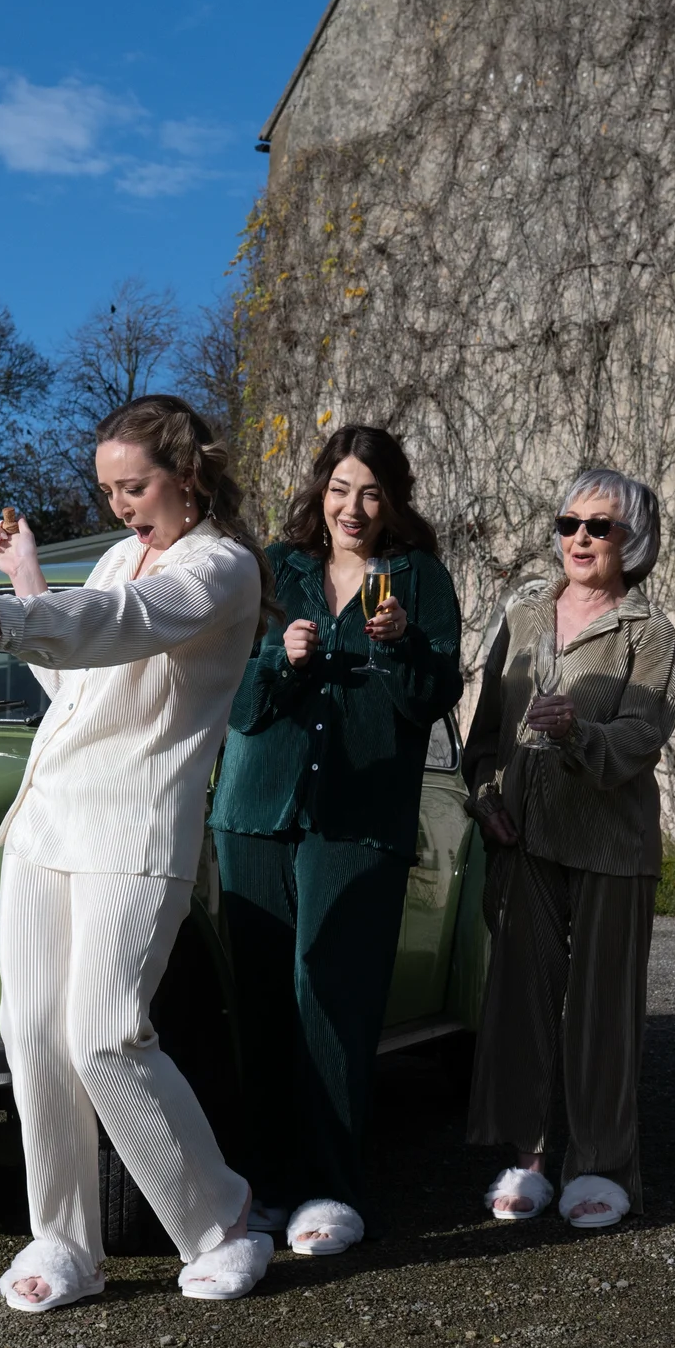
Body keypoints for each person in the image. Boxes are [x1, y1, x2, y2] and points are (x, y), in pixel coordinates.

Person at [0, 395, 274, 1309]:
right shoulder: (124, 556)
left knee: (103, 1034)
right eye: (108, 489)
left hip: (137, 827)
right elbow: (74, 671)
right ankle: (64, 1241)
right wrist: (26, 575)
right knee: (34, 1035)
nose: (120, 506)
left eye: (134, 486)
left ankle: (221, 1218)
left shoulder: (224, 570)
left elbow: (128, 620)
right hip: (46, 819)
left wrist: (10, 612)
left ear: (189, 473)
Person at [209, 426, 463, 1257]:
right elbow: (237, 703)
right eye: (340, 489)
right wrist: (278, 660)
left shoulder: (419, 577)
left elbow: (431, 700)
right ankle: (264, 1185)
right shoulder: (275, 571)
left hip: (358, 820)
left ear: (394, 501)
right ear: (320, 493)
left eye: (372, 493)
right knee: (258, 1002)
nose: (353, 508)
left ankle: (331, 1186)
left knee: (333, 997)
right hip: (255, 812)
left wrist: (397, 649)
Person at [462, 470, 675, 1231]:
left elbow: (642, 736)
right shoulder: (524, 614)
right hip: (522, 837)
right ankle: (529, 1157)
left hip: (610, 842)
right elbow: (486, 728)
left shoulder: (647, 634)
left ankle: (602, 1164)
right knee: (519, 1001)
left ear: (633, 541)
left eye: (600, 527)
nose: (580, 539)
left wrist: (577, 734)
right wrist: (486, 799)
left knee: (602, 1011)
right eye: (569, 523)